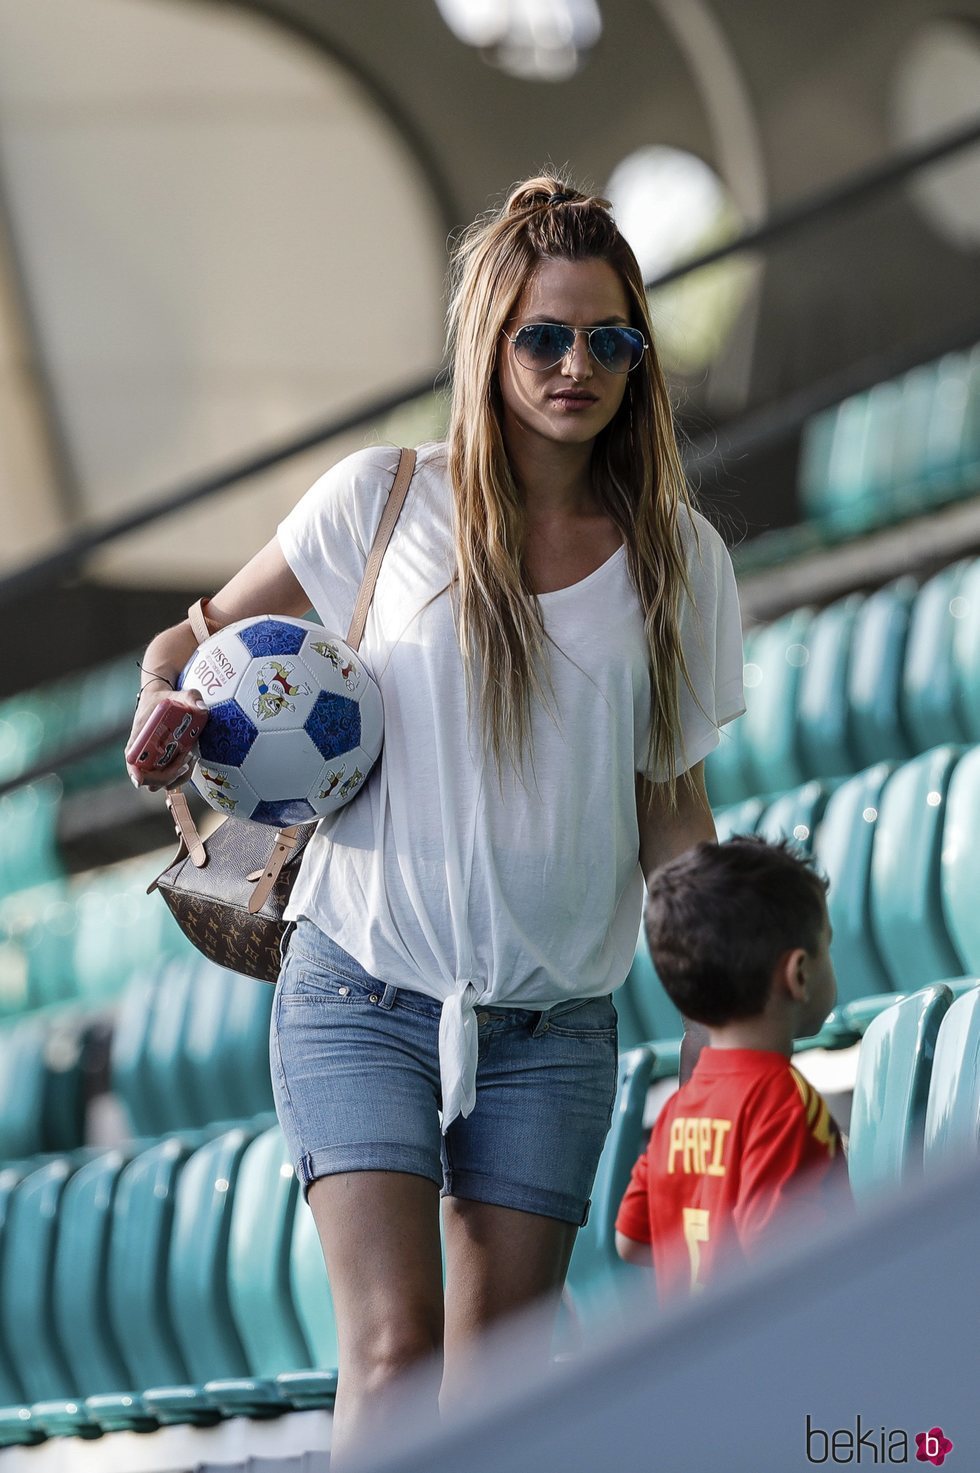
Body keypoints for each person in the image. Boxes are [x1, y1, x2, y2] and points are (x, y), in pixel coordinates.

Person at [126, 173, 744, 1462]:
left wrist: (716, 1033)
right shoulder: (378, 500)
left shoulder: (677, 559)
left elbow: (669, 812)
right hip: (359, 992)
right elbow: (188, 648)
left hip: (553, 1026)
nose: (576, 364)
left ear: (638, 358)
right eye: (543, 336)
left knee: (499, 1395)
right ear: (489, 343)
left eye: (609, 340)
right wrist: (163, 719)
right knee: (395, 1355)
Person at [615, 836, 850, 1300]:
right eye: (828, 945)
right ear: (798, 974)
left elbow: (631, 1240)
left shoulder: (679, 1110)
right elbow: (785, 1263)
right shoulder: (782, 1101)